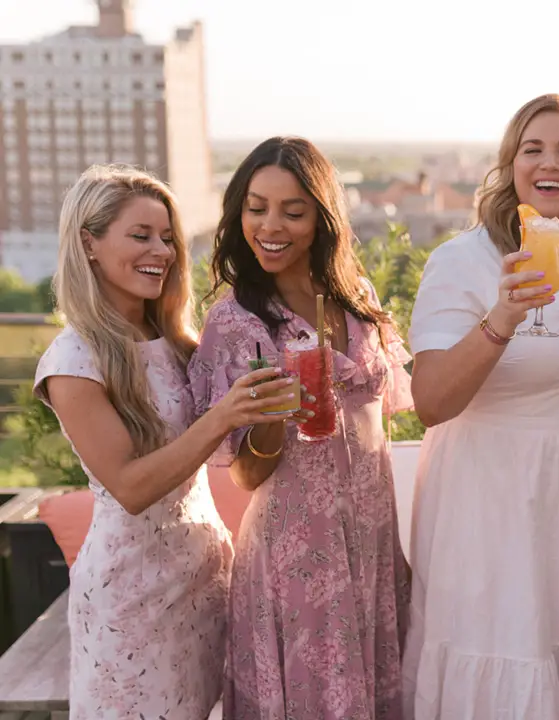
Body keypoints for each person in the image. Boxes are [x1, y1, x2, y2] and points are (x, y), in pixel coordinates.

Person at [400, 94, 559, 719]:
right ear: (511, 166)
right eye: (533, 149)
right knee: (502, 649)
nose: (549, 163)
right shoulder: (463, 262)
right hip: (489, 498)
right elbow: (431, 401)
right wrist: (503, 316)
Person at [34, 164, 292, 719]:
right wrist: (222, 416)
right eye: (141, 235)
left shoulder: (178, 344)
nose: (163, 251)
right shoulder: (73, 359)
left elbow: (242, 452)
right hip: (130, 601)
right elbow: (129, 486)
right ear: (90, 244)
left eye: (169, 237)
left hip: (206, 577)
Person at [188, 136, 413, 719]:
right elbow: (246, 472)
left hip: (372, 540)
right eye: (256, 207)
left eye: (293, 210)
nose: (271, 225)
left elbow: (381, 421)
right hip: (297, 558)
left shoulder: (356, 297)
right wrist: (271, 421)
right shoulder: (235, 324)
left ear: (322, 217)